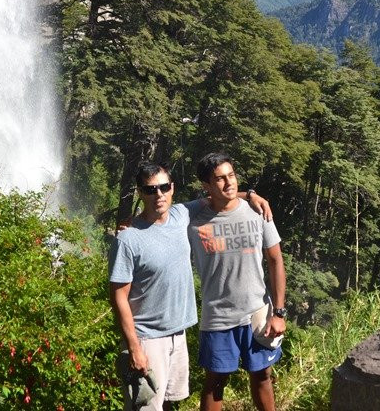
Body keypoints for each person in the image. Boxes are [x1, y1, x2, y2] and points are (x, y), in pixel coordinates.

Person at [109, 162, 271, 411]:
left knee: (171, 402)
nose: (159, 195)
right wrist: (134, 347)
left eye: (163, 187)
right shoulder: (128, 238)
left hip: (178, 332)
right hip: (147, 338)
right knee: (146, 407)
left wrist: (250, 195)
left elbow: (219, 194)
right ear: (140, 192)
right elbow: (118, 296)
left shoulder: (181, 214)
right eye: (151, 190)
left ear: (172, 188)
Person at [187, 153, 286, 411]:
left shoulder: (258, 212)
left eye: (231, 175)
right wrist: (134, 223)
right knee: (215, 382)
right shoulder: (194, 221)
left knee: (262, 375)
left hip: (257, 312)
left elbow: (275, 260)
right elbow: (161, 214)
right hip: (218, 315)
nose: (229, 183)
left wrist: (279, 312)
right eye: (219, 179)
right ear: (207, 187)